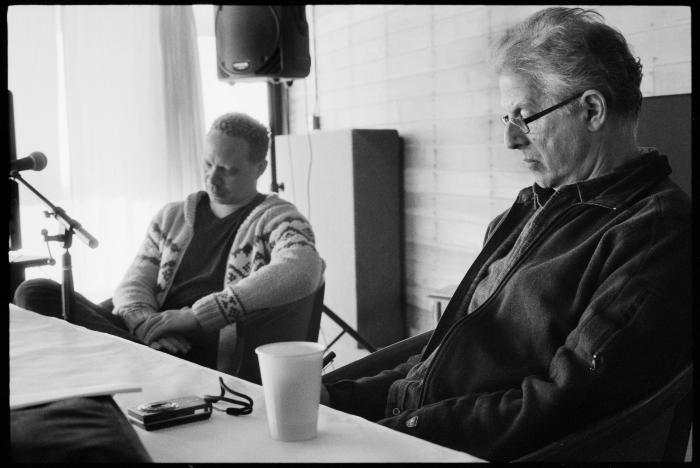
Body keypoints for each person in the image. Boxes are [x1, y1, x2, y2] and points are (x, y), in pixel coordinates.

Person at [320, 7, 691, 462]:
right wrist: (341, 401)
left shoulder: (655, 231)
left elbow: (564, 402)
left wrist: (393, 434)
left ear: (591, 109)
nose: (510, 141)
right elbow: (448, 357)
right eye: (505, 119)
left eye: (524, 116)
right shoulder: (526, 209)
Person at [14, 112, 324, 367]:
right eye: (208, 164)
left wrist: (193, 316)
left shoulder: (277, 217)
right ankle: (144, 352)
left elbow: (304, 268)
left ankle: (137, 355)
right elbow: (135, 282)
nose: (212, 178)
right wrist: (145, 324)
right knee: (33, 291)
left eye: (228, 170)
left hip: (197, 350)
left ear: (260, 168)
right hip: (149, 335)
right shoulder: (172, 216)